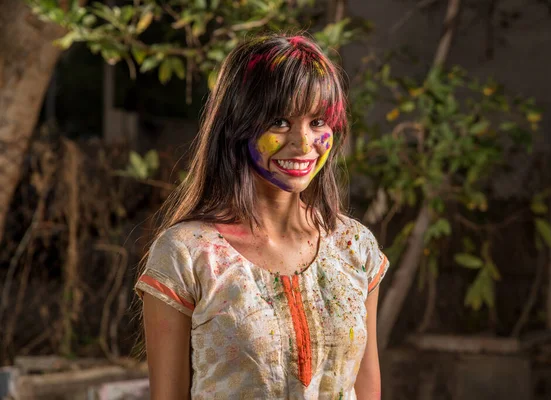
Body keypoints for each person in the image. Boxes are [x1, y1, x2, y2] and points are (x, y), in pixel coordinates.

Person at [135, 34, 389, 400]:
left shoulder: (355, 246)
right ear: (237, 126)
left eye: (318, 122)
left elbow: (367, 390)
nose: (303, 144)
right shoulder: (188, 255)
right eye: (280, 122)